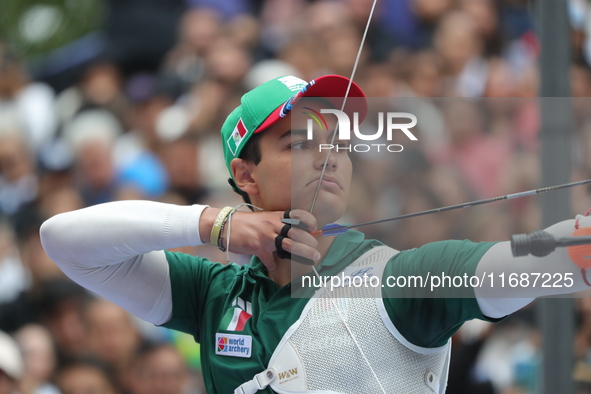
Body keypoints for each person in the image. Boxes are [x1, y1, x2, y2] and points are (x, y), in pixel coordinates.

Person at [40, 74, 591, 393]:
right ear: (246, 176)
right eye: (299, 142)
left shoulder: (400, 280)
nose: (331, 152)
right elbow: (64, 240)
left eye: (340, 141)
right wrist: (215, 223)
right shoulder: (214, 294)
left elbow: (542, 258)